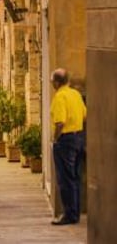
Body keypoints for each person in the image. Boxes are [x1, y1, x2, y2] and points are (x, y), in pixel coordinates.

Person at [50, 68, 87, 226]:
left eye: (52, 81)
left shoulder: (60, 96)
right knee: (75, 178)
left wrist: (55, 138)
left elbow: (60, 122)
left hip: (65, 140)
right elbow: (85, 115)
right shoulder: (75, 94)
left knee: (65, 178)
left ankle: (69, 214)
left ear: (57, 82)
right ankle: (75, 212)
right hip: (79, 137)